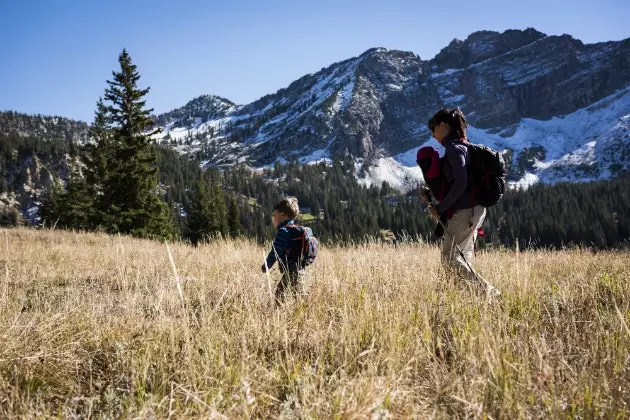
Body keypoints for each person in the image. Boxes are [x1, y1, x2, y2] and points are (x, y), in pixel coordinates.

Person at [426, 108, 499, 297]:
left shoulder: (453, 147)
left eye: (433, 130)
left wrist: (440, 209)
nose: (433, 136)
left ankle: (488, 292)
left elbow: (460, 183)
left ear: (443, 126)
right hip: (476, 209)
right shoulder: (465, 145)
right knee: (463, 257)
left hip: (465, 210)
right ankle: (466, 299)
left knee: (449, 258)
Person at [261, 196, 307, 304]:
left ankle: (277, 315)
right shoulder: (293, 229)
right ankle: (302, 314)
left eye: (274, 215)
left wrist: (266, 265)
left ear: (282, 214)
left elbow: (276, 251)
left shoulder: (283, 231)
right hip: (300, 269)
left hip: (291, 270)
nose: (273, 218)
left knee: (280, 295)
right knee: (298, 295)